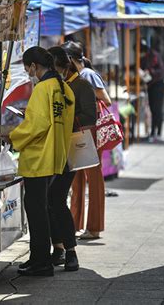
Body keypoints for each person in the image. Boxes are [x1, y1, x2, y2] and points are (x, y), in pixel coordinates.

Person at [9, 46, 75, 276]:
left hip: (38, 157)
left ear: (35, 66)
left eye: (28, 68)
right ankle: (39, 258)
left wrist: (13, 137)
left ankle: (42, 262)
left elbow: (36, 125)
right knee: (40, 209)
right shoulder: (64, 88)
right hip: (56, 154)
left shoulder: (42, 89)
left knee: (36, 211)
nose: (28, 72)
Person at [46, 46, 98, 270]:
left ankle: (70, 251)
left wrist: (64, 116)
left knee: (56, 197)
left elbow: (90, 117)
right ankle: (58, 247)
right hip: (51, 148)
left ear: (63, 66)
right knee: (49, 200)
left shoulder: (82, 85)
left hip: (71, 149)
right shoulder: (53, 85)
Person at [61, 41, 107, 240]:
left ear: (69, 60)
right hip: (80, 130)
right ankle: (75, 223)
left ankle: (94, 227)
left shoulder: (87, 75)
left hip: (90, 130)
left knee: (93, 179)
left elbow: (107, 100)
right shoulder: (77, 76)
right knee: (77, 179)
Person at [140, 40, 164, 142]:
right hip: (151, 86)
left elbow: (161, 71)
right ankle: (152, 133)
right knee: (152, 109)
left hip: (159, 85)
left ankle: (158, 133)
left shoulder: (154, 56)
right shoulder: (145, 58)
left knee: (157, 110)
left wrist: (150, 71)